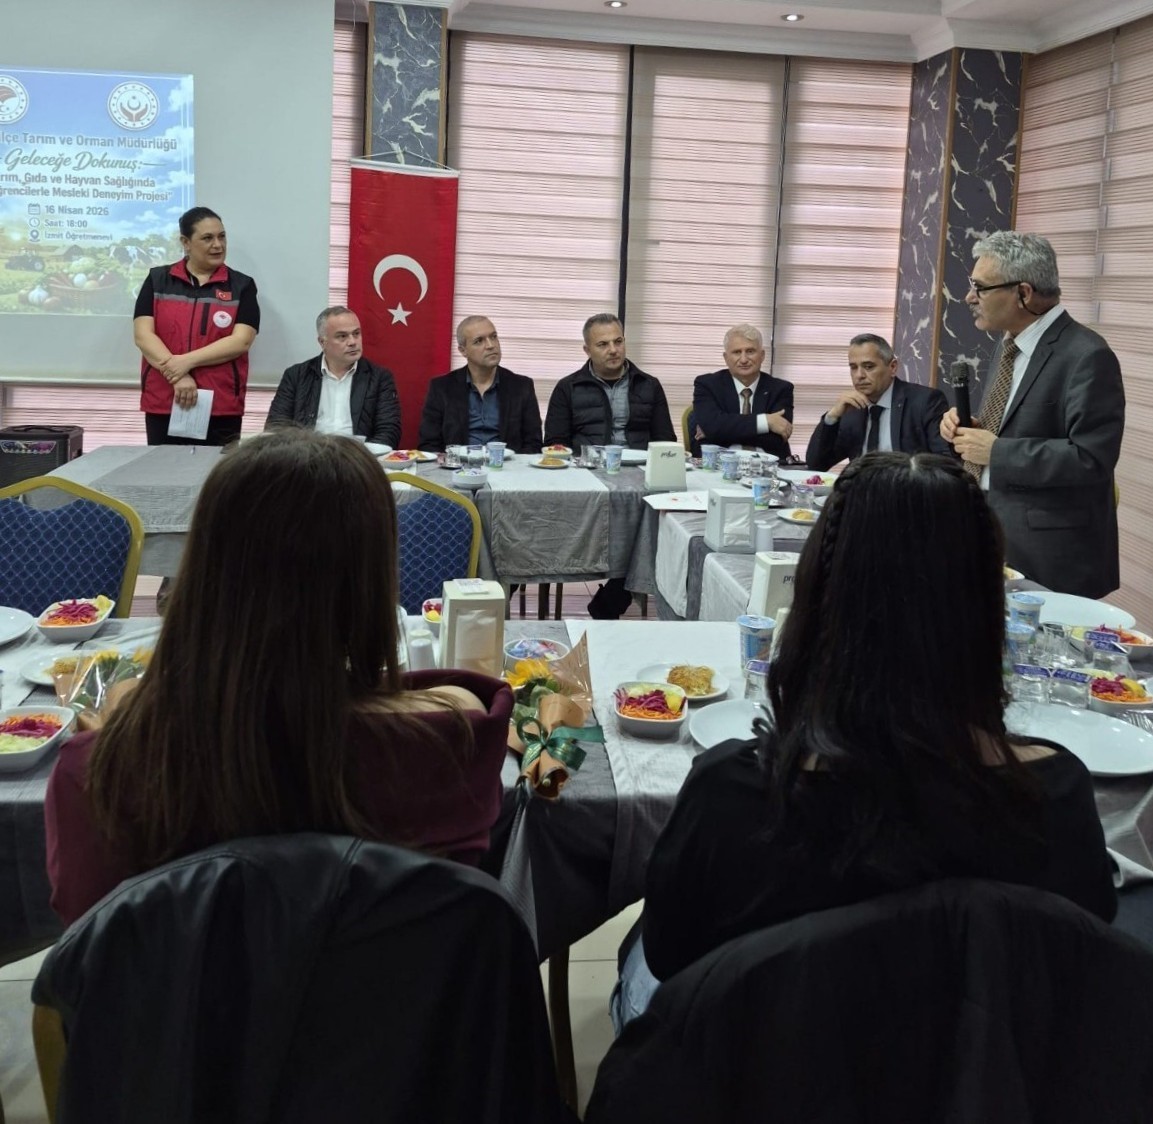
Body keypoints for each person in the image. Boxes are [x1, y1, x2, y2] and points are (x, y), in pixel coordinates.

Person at [612, 451, 1116, 1030]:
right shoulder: (1056, 794)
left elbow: (672, 955)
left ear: (814, 597)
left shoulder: (736, 793)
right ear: (988, 609)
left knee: (640, 955)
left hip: (766, 1069)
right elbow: (1081, 964)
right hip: (981, 1068)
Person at [44, 430, 514, 927]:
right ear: (370, 582)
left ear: (203, 569)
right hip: (393, 979)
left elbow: (92, 944)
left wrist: (127, 719)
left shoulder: (103, 771)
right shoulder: (452, 738)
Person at [939, 231, 1125, 598]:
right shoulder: (1010, 344)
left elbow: (1092, 458)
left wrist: (996, 451)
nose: (969, 297)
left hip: (1050, 556)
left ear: (1023, 293)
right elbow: (1009, 426)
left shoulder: (1087, 355)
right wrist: (968, 432)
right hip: (990, 531)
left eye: (980, 287)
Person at [133, 206, 260, 446]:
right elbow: (143, 335)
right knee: (164, 467)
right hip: (165, 400)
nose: (218, 245)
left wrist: (186, 362)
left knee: (218, 469)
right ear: (186, 242)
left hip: (221, 404)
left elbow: (241, 341)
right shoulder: (158, 280)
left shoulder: (242, 285)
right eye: (207, 238)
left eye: (222, 236)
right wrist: (178, 376)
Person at [805, 333, 952, 470]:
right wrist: (832, 416)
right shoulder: (852, 409)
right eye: (853, 368)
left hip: (908, 487)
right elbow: (816, 464)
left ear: (892, 367)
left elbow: (947, 465)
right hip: (862, 488)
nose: (859, 375)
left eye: (868, 367)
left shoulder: (924, 402)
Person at [265, 307, 401, 447]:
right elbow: (276, 426)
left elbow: (389, 431)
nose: (352, 342)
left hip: (358, 456)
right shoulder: (296, 376)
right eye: (342, 336)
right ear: (322, 342)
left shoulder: (379, 378)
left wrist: (361, 456)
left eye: (356, 334)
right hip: (308, 455)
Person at [543, 314, 676, 454]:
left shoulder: (649, 385)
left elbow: (665, 441)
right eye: (603, 344)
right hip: (587, 464)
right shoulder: (568, 387)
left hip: (640, 463)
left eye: (618, 342)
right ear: (587, 350)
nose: (613, 350)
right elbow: (556, 444)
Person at [417, 316, 543, 453]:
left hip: (507, 464)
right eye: (479, 341)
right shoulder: (441, 388)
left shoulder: (522, 387)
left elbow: (533, 444)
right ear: (463, 350)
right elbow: (429, 445)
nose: (490, 345)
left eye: (493, 337)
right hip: (458, 464)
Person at [690, 324, 793, 458]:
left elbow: (776, 439)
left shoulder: (781, 389)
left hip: (769, 466)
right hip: (718, 465)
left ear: (762, 355)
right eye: (737, 352)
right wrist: (765, 422)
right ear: (726, 358)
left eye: (750, 351)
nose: (744, 359)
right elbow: (712, 427)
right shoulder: (707, 384)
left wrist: (720, 431)